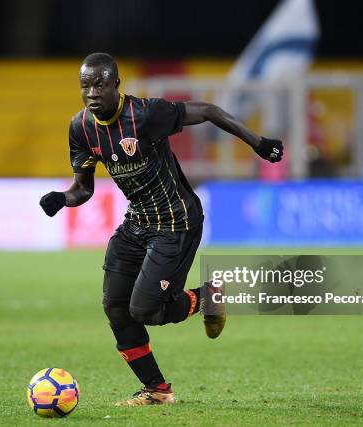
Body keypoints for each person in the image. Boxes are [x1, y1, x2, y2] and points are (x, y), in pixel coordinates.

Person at [39, 53, 283, 406]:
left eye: (99, 84)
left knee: (146, 310)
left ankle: (206, 297)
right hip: (137, 222)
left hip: (176, 221)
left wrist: (258, 143)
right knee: (115, 307)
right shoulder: (81, 127)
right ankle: (157, 390)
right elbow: (84, 188)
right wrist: (63, 199)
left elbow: (210, 111)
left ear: (116, 84)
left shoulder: (146, 114)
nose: (92, 93)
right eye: (85, 86)